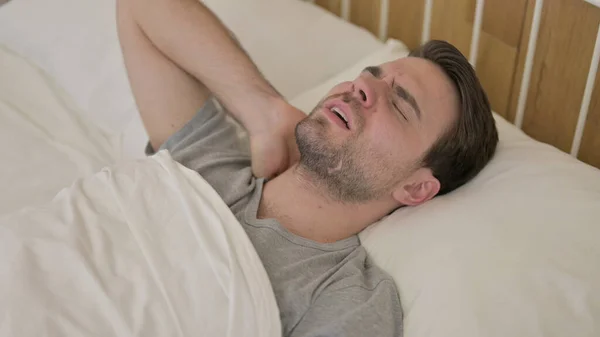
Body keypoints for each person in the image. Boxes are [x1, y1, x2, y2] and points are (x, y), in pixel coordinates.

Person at [116, 0, 498, 336]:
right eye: (372, 74)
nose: (362, 85)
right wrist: (264, 112)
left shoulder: (344, 298)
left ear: (416, 189)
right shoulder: (208, 165)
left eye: (399, 106)